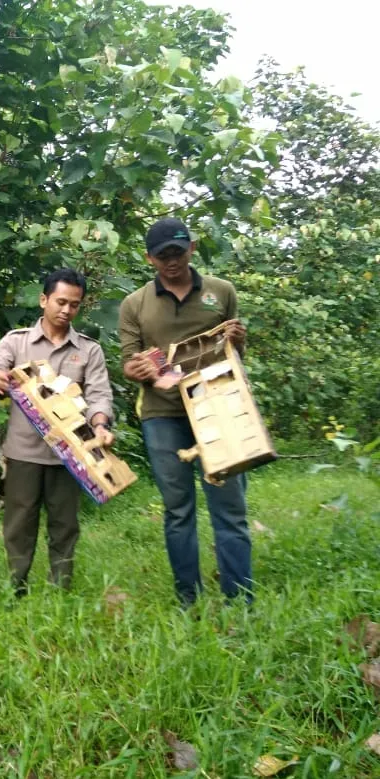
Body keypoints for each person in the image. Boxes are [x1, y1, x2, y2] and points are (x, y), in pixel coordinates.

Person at [119, 217, 251, 606]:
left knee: (230, 507)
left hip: (220, 407)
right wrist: (138, 369)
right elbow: (128, 363)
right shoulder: (135, 304)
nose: (172, 261)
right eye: (163, 255)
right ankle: (187, 599)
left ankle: (239, 599)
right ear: (150, 258)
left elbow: (235, 354)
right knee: (178, 509)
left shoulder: (221, 292)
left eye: (178, 251)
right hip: (164, 415)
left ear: (192, 248)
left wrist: (240, 341)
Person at [0, 268, 114, 595]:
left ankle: (60, 590)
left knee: (65, 526)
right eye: (60, 302)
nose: (66, 310)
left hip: (71, 454)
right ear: (43, 300)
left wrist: (101, 425)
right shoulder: (16, 342)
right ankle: (15, 587)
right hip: (24, 452)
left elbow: (99, 395)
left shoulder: (89, 350)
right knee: (19, 524)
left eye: (74, 305)